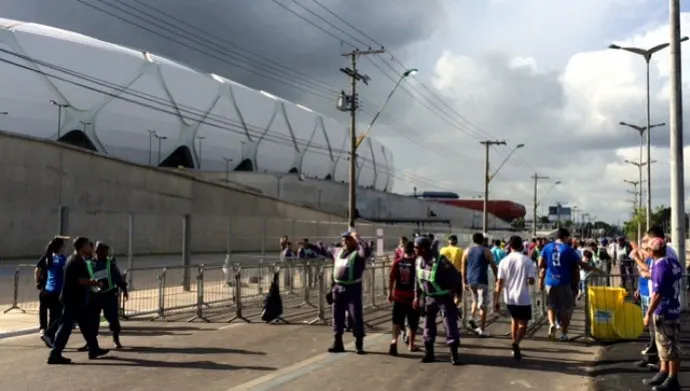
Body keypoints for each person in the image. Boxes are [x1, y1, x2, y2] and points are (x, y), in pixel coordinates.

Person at [47, 237, 109, 364]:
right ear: (82, 247)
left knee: (86, 326)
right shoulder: (76, 261)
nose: (90, 248)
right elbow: (79, 280)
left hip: (77, 299)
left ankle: (94, 349)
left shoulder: (76, 259)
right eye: (88, 245)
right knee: (65, 327)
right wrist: (94, 282)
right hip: (72, 299)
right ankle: (55, 354)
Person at [539, 228, 596, 341]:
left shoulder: (547, 247)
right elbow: (580, 264)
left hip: (550, 281)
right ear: (565, 237)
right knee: (566, 308)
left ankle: (551, 324)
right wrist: (592, 268)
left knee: (551, 306)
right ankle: (564, 333)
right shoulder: (568, 249)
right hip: (564, 282)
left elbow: (540, 263)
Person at [642, 237, 683, 391]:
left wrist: (648, 313)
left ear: (652, 251)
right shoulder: (672, 263)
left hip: (664, 310)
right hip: (673, 306)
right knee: (663, 345)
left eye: (648, 249)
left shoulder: (660, 267)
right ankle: (664, 372)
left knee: (670, 346)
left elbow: (657, 294)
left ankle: (673, 379)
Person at [413, 236, 462, 365]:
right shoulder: (418, 261)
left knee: (449, 324)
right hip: (428, 297)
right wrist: (416, 297)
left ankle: (454, 354)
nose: (414, 250)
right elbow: (417, 281)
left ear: (423, 249)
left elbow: (456, 277)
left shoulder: (440, 261)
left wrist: (456, 295)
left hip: (444, 298)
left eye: (416, 248)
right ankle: (429, 353)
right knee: (428, 325)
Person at [76, 242, 128, 351]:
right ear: (97, 251)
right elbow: (83, 278)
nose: (105, 253)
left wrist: (124, 289)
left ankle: (116, 339)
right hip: (95, 296)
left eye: (106, 251)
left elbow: (118, 278)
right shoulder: (89, 263)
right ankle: (90, 343)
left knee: (113, 318)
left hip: (109, 295)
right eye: (103, 251)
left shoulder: (110, 263)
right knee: (92, 321)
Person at [493, 235, 536, 360]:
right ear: (522, 246)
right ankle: (516, 343)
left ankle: (514, 344)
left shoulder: (504, 261)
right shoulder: (527, 261)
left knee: (514, 320)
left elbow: (499, 282)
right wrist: (531, 281)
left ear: (509, 246)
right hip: (522, 297)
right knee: (523, 323)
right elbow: (531, 280)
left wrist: (496, 300)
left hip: (509, 297)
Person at [328, 231, 367, 354]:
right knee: (337, 316)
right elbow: (324, 250)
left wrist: (358, 239)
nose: (345, 242)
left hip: (352, 288)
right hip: (338, 288)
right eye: (344, 239)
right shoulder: (338, 252)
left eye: (348, 239)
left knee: (355, 316)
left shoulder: (358, 253)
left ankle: (359, 343)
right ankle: (338, 342)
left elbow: (365, 252)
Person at [461, 233, 497, 336]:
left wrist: (464, 281)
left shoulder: (467, 251)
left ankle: (472, 318)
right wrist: (497, 277)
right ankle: (482, 329)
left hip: (471, 280)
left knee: (474, 301)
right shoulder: (486, 251)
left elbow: (463, 267)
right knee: (483, 306)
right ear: (483, 240)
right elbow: (493, 265)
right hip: (481, 280)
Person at [388, 241, 420, 355]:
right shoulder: (417, 263)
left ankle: (394, 341)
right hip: (412, 297)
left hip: (398, 296)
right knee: (412, 322)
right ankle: (411, 345)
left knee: (396, 320)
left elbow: (391, 278)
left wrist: (390, 293)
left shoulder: (397, 262)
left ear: (403, 250)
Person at [36, 237, 68, 346]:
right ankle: (49, 335)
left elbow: (38, 269)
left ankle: (50, 339)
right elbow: (66, 275)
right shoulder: (62, 260)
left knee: (51, 315)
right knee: (58, 317)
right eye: (63, 245)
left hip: (47, 290)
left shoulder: (49, 258)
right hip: (56, 292)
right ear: (61, 247)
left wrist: (37, 283)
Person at [439, 235, 464, 311]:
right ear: (456, 242)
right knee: (458, 296)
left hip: (444, 275)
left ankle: (448, 309)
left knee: (447, 295)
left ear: (448, 241)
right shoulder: (460, 250)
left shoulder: (442, 250)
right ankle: (453, 308)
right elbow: (463, 263)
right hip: (456, 275)